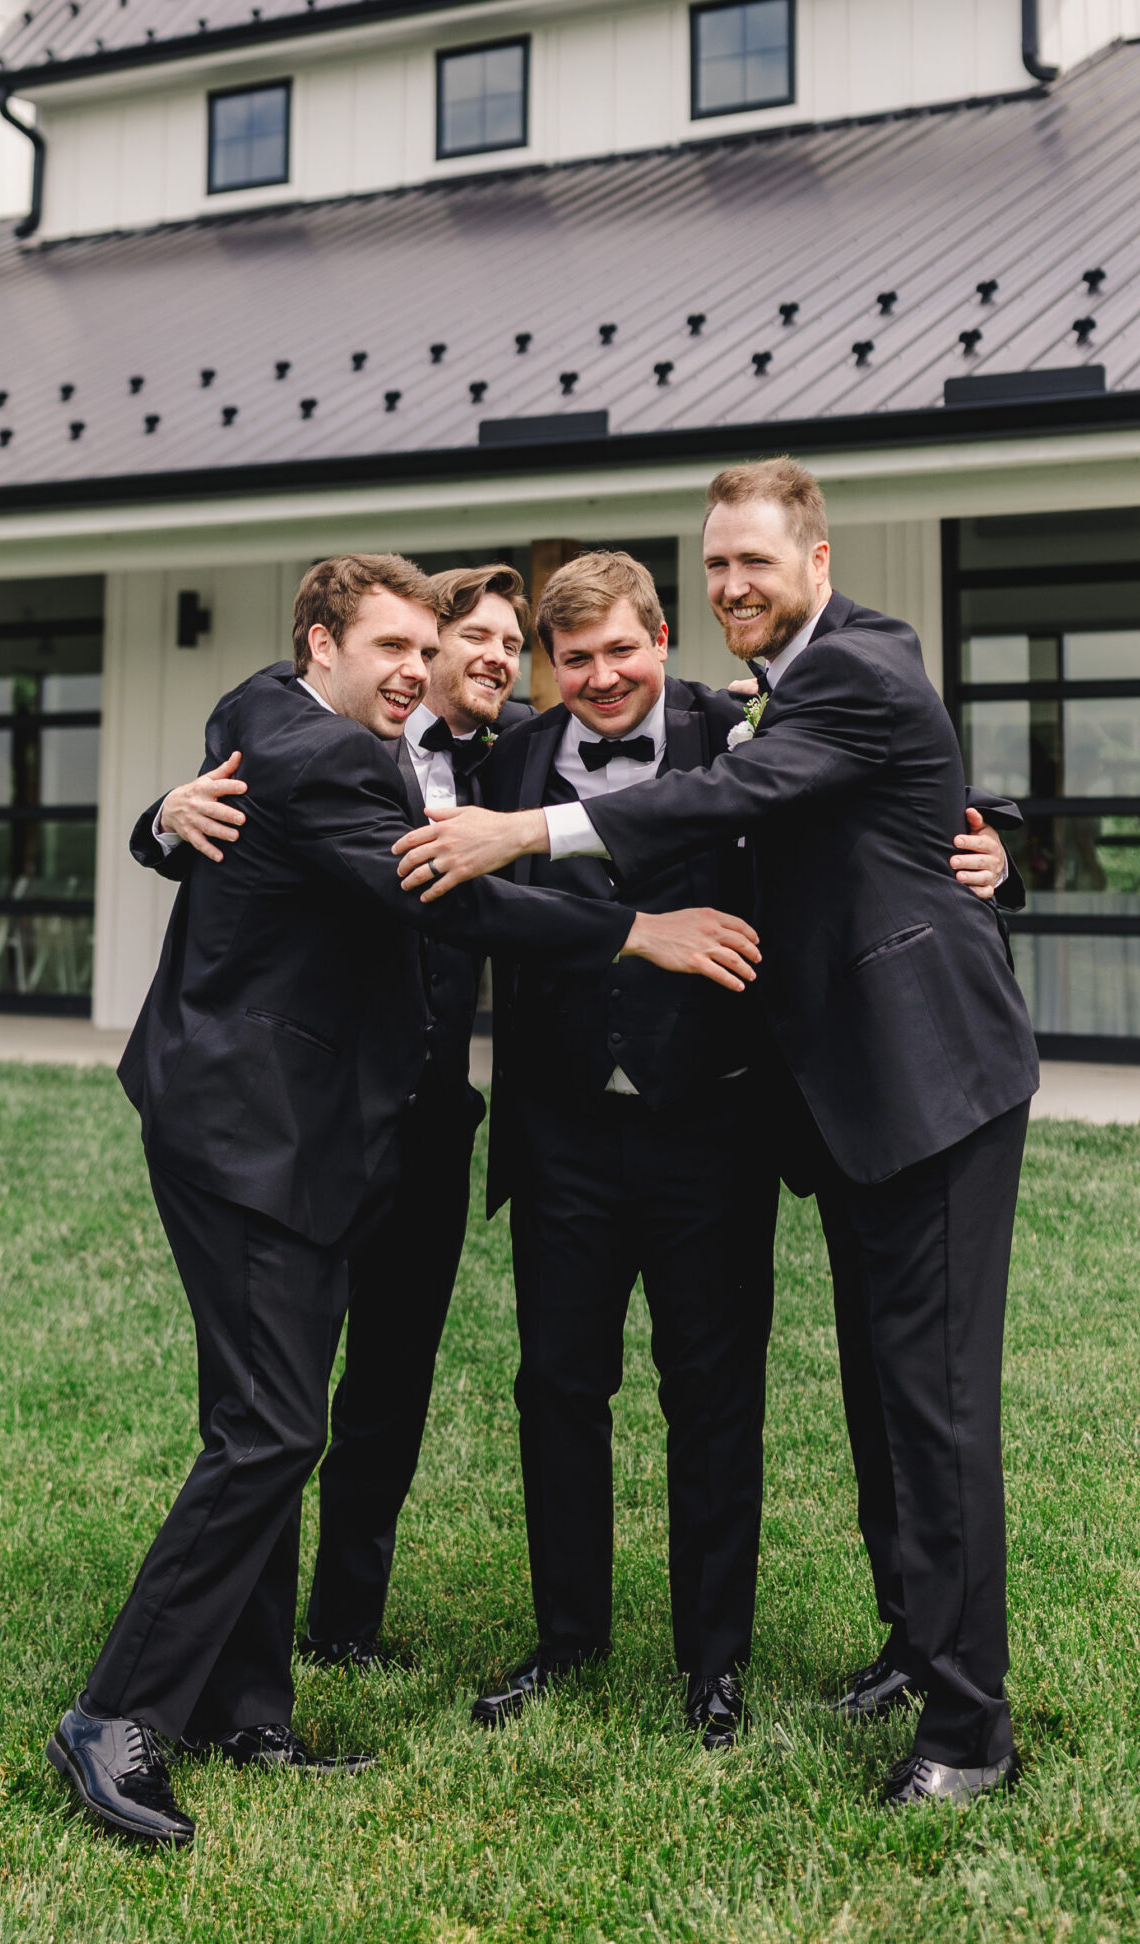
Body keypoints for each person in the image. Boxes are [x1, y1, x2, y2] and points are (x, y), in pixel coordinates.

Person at [48, 554, 757, 1851]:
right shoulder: (319, 750)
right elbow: (437, 891)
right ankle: (117, 1714)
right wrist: (634, 931)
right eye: (391, 647)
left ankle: (246, 1714)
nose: (416, 670)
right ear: (321, 644)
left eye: (421, 651)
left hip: (318, 1128)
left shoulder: (280, 714)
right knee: (269, 1431)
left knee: (271, 1425)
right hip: (248, 1128)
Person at [397, 467, 1039, 1809]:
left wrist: (527, 831)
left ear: (816, 557)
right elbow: (876, 801)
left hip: (921, 1081)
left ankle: (970, 1728)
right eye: (718, 563)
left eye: (756, 559)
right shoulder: (789, 684)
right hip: (833, 1106)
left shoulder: (849, 665)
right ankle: (916, 1647)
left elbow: (738, 797)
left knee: (934, 1408)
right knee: (882, 1398)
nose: (735, 582)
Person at [134, 563, 535, 1674]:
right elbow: (256, 748)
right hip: (301, 1113)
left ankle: (336, 1630)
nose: (492, 658)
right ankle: (205, 1682)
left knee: (385, 1387)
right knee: (275, 1408)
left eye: (513, 644)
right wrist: (162, 814)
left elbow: (652, 742)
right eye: (467, 638)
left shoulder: (521, 745)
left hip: (426, 1117)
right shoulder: (293, 724)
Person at [469, 550, 777, 1751]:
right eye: (575, 659)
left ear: (662, 638)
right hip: (562, 1131)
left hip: (712, 1125)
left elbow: (888, 771)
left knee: (713, 1396)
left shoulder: (741, 729)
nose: (600, 678)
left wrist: (990, 843)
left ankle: (714, 1663)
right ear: (547, 668)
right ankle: (566, 1640)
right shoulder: (510, 759)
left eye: (620, 651)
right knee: (556, 1386)